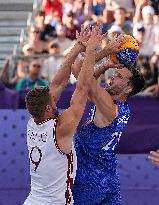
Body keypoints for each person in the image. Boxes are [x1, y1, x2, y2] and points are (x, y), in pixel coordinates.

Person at [23, 25, 102, 205]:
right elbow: (82, 88)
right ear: (48, 109)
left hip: (32, 201)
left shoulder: (32, 122)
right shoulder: (61, 129)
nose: (55, 99)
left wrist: (78, 46)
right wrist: (90, 50)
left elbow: (58, 83)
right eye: (52, 101)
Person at [71, 29, 145, 204]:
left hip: (88, 179)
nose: (111, 78)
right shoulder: (121, 107)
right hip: (109, 176)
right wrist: (107, 64)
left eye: (119, 76)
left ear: (128, 89)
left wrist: (104, 53)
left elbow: (81, 74)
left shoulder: (107, 105)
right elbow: (80, 73)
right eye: (114, 74)